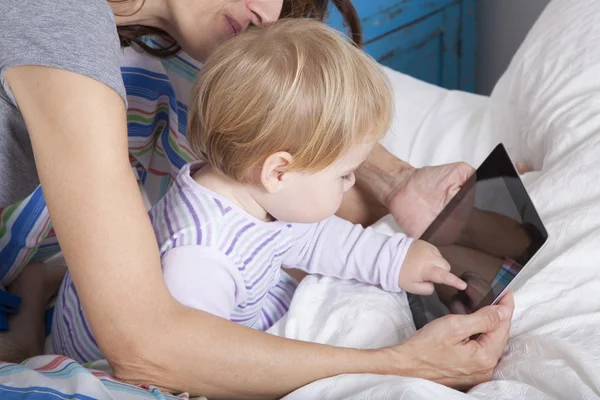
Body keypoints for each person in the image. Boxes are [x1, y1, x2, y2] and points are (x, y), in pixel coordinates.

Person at [0, 0, 514, 398]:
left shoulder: (164, 50)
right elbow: (155, 356)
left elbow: (306, 186)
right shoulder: (199, 262)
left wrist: (400, 210)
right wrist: (403, 363)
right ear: (276, 171)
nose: (267, 13)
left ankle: (40, 296)